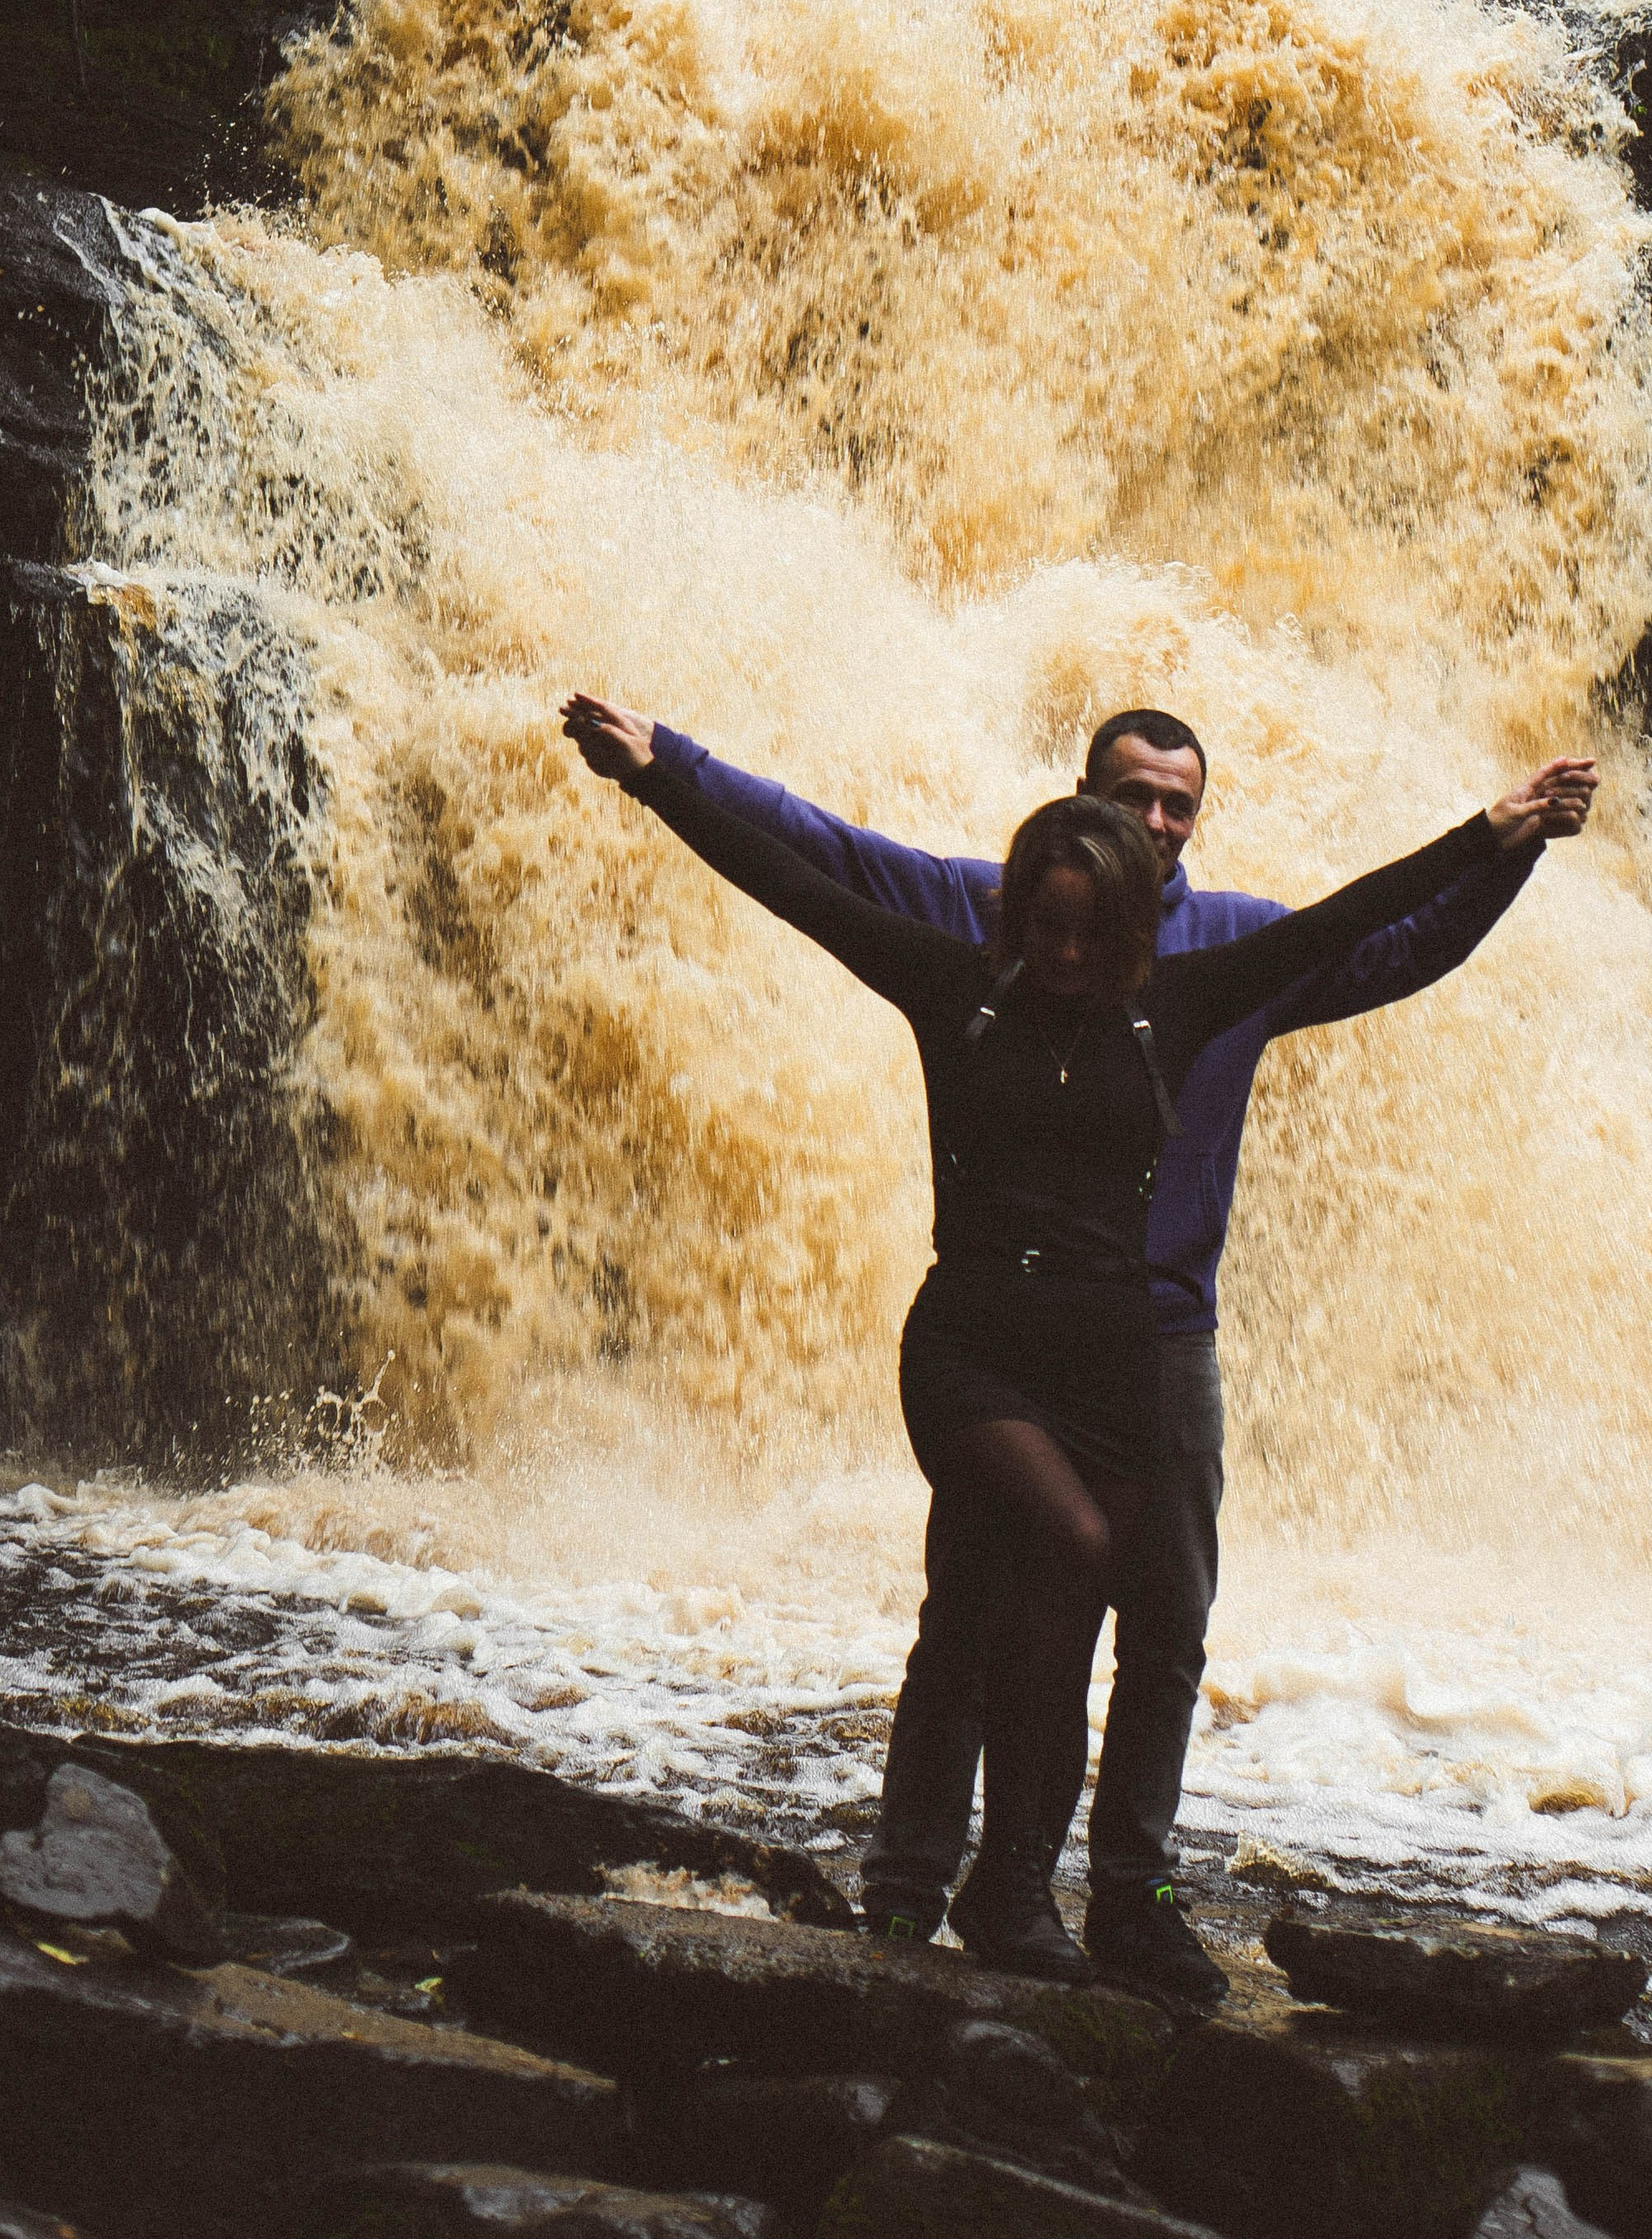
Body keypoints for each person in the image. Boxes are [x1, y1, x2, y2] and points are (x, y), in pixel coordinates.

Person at [565, 692, 1595, 1997]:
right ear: (1074, 813)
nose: (1150, 830)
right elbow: (807, 866)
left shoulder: (1205, 973)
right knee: (987, 1609)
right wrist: (668, 773)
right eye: (1131, 800)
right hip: (991, 1343)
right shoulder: (968, 938)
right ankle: (916, 1889)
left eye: (1178, 808)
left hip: (1140, 1351)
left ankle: (1086, 1896)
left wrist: (1504, 840)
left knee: (1136, 1626)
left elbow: (1372, 927)